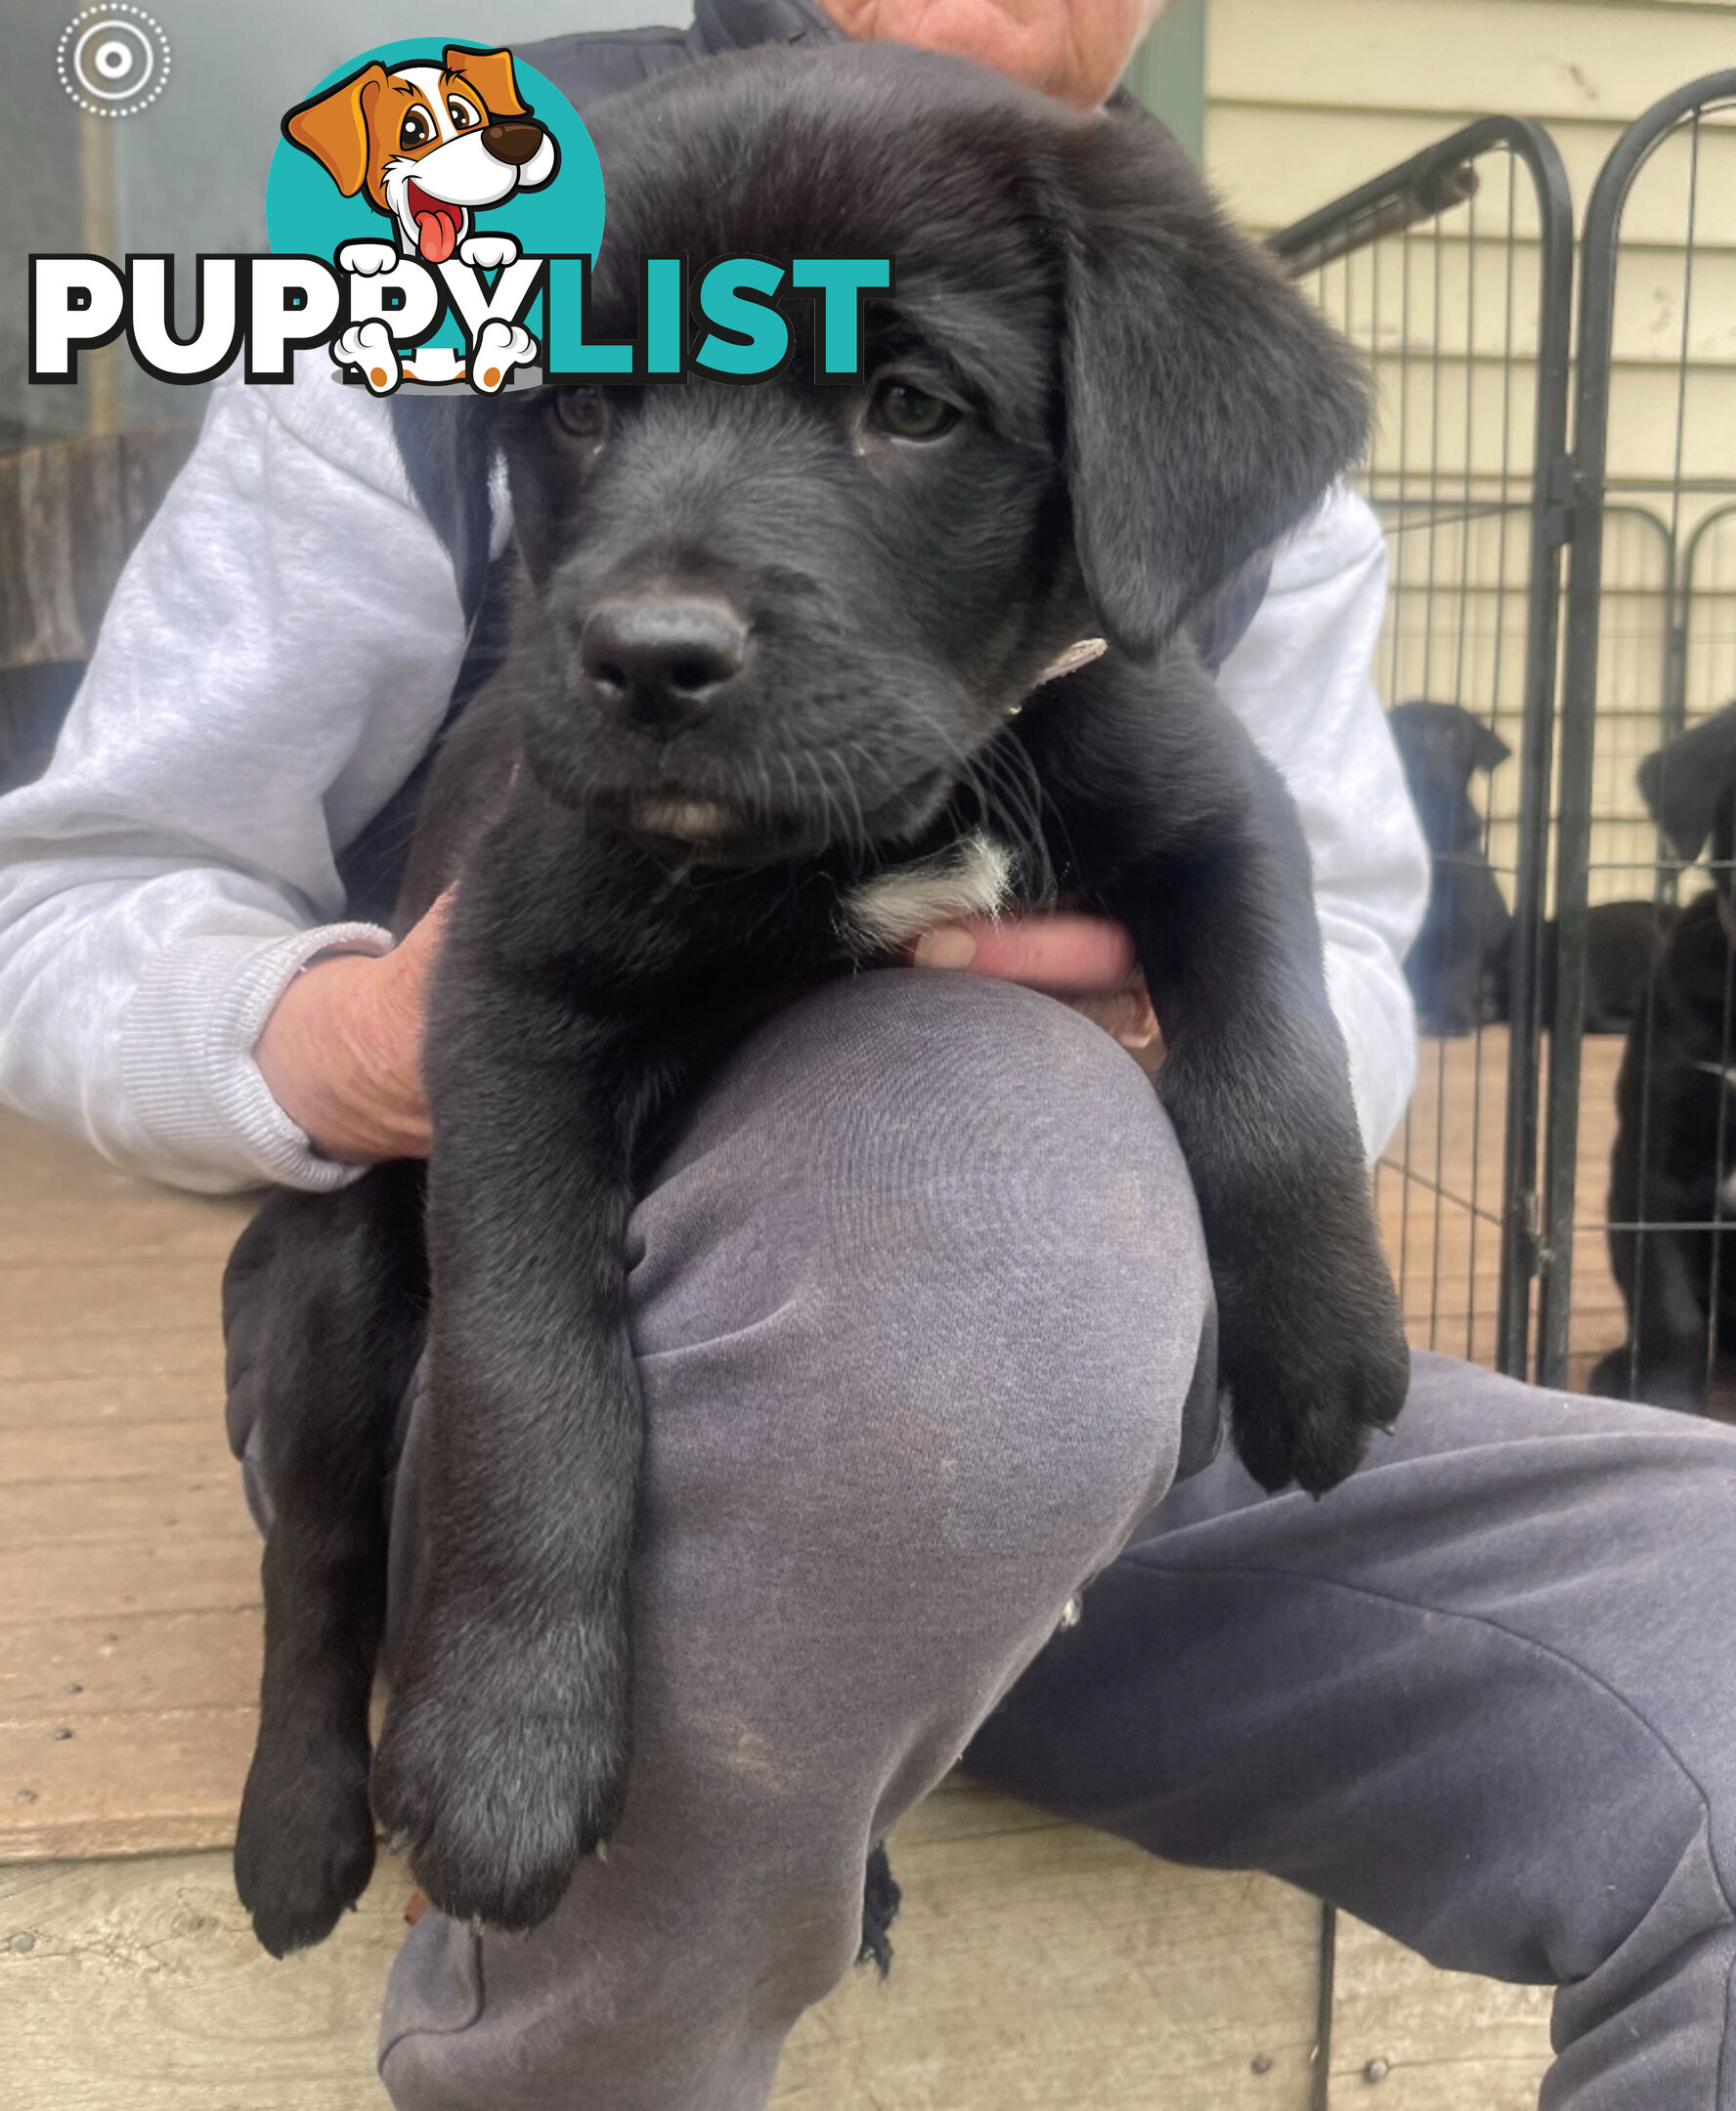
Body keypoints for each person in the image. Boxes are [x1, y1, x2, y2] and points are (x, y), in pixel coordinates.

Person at [3, 3, 1735, 2106]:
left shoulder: (1167, 337)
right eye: (574, 416)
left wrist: (1217, 1106)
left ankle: (876, 1688)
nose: (663, 576)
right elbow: (71, 906)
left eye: (909, 402)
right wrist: (354, 1036)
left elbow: (1326, 926)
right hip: (537, 1384)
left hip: (1122, 1415)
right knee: (962, 1163)